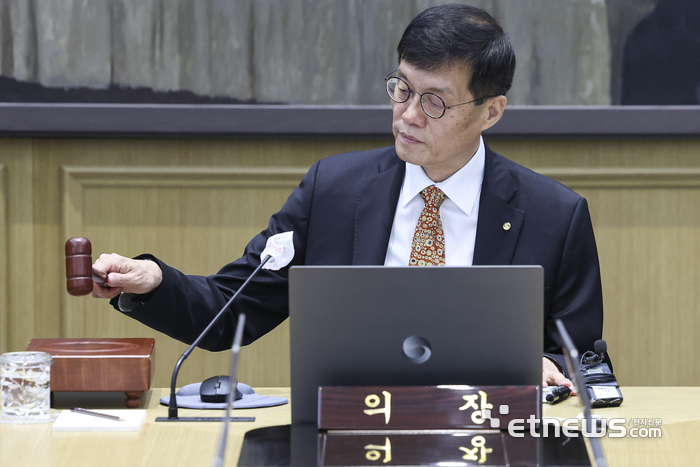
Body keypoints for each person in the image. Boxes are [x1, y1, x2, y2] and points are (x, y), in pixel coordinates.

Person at [92, 4, 604, 391]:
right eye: (402, 89)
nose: (408, 115)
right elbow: (232, 310)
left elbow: (583, 362)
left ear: (490, 112)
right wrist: (153, 283)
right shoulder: (333, 191)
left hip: (488, 442)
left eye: (434, 102)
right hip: (350, 435)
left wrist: (553, 368)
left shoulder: (554, 217)